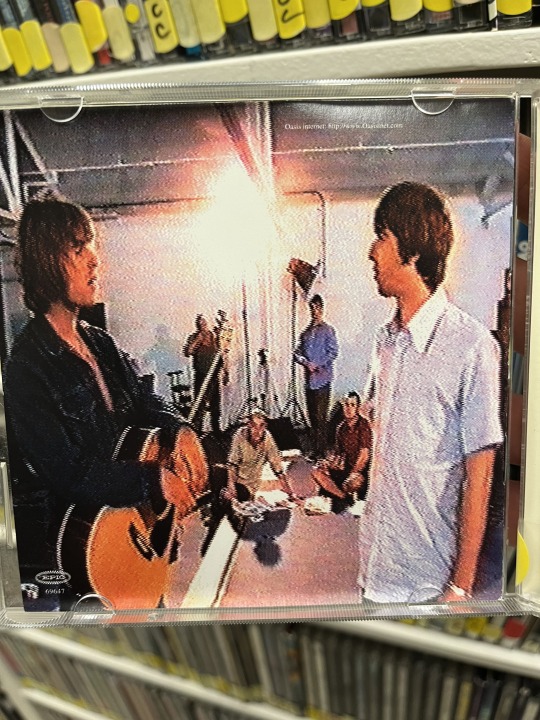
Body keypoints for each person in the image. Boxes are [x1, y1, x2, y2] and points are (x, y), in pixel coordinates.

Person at [4, 193, 208, 610]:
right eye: (79, 248)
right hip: (79, 558)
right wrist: (152, 480)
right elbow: (67, 472)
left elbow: (144, 400)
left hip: (133, 534)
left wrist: (180, 428)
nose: (94, 260)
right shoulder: (27, 367)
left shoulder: (100, 342)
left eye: (92, 246)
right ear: (47, 261)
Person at [358, 181, 503, 605]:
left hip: (427, 583)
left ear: (413, 251)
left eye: (382, 237)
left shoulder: (471, 345)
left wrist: (460, 586)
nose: (372, 251)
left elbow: (480, 474)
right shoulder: (384, 342)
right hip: (374, 570)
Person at [293, 294, 339, 460]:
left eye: (318, 308)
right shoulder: (305, 333)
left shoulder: (328, 330)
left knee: (321, 417)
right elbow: (296, 353)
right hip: (309, 382)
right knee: (312, 417)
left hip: (322, 380)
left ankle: (322, 451)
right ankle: (314, 450)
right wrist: (306, 363)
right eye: (312, 308)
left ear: (322, 309)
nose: (315, 311)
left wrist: (317, 364)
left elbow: (333, 352)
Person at [312, 391, 372, 513]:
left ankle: (338, 496)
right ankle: (345, 498)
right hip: (346, 468)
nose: (349, 408)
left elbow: (364, 456)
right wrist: (328, 464)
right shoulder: (341, 428)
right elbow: (339, 454)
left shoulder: (363, 425)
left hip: (358, 471)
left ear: (357, 407)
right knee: (317, 472)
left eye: (352, 405)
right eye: (346, 405)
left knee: (355, 481)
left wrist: (353, 473)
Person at [223, 409, 292, 502]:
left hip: (254, 483)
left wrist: (289, 491)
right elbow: (232, 464)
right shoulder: (240, 435)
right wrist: (231, 486)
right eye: (254, 426)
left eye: (261, 426)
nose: (258, 430)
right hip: (238, 481)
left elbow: (276, 466)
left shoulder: (267, 438)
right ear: (249, 425)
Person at [183, 314, 224, 435]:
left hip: (213, 375)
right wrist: (198, 339)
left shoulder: (212, 336)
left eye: (204, 323)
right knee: (200, 404)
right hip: (201, 375)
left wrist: (225, 371)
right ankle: (198, 430)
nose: (203, 325)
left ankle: (216, 430)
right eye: (200, 323)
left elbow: (220, 352)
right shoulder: (194, 337)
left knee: (215, 404)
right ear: (197, 325)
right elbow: (188, 352)